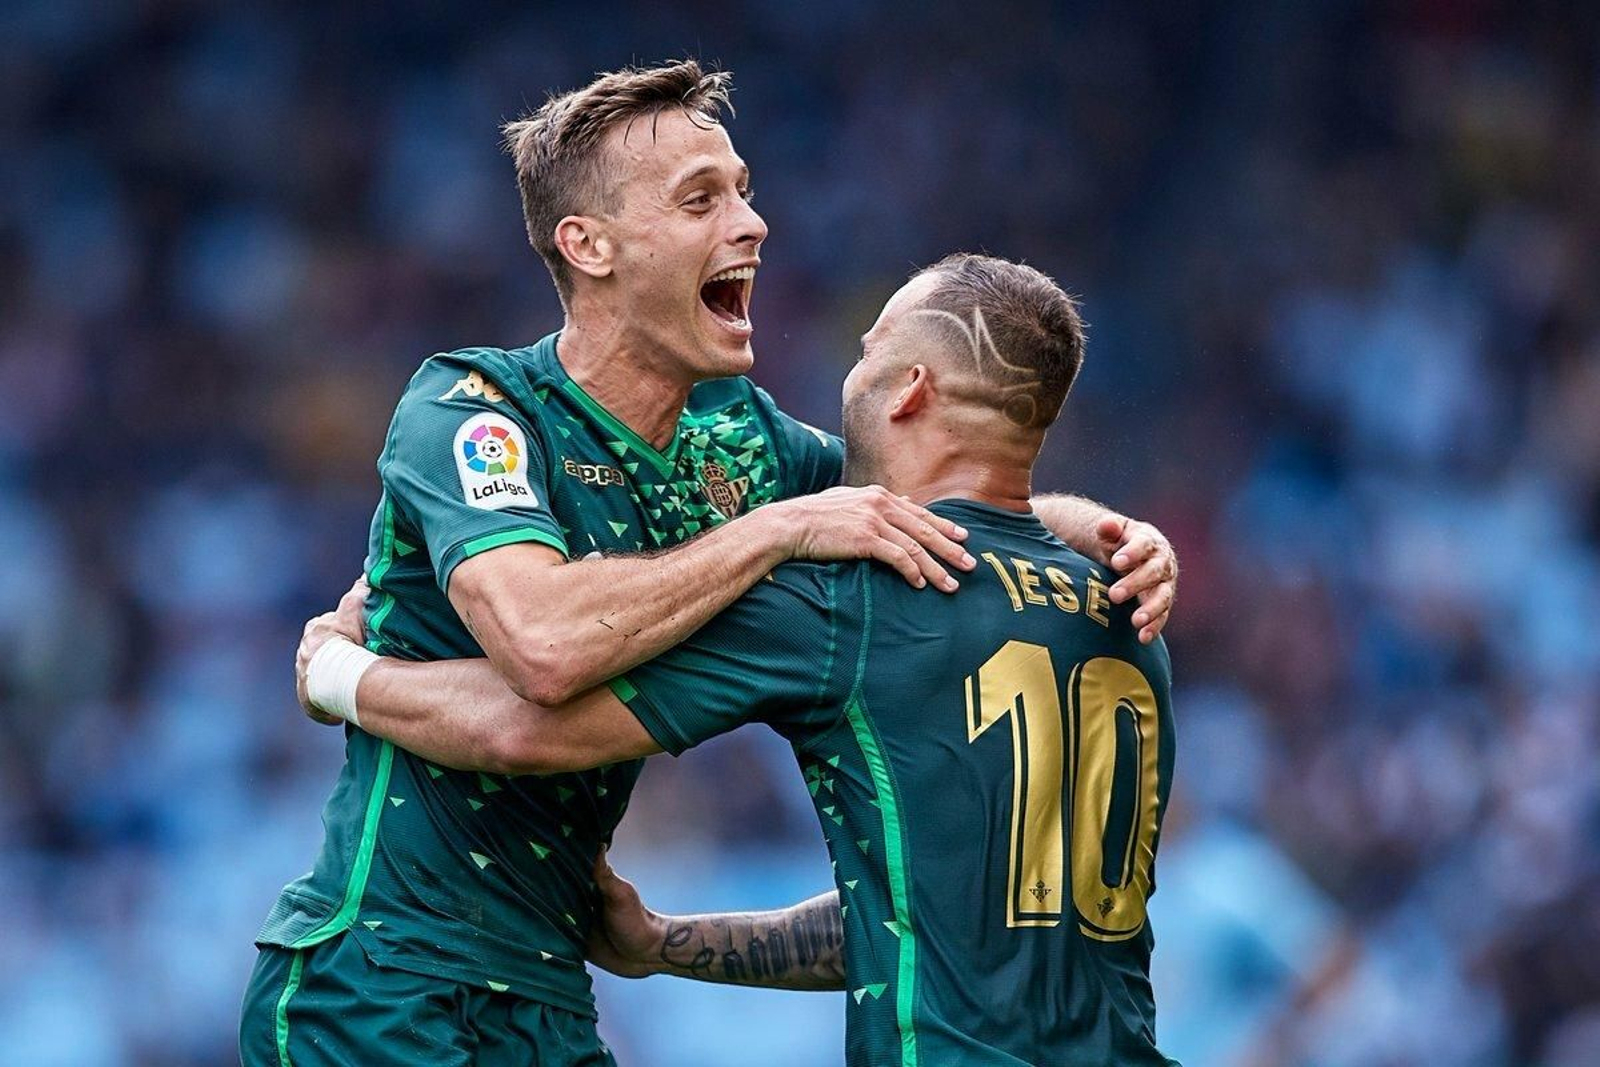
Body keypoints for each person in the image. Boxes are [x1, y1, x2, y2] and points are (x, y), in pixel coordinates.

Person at [243, 58, 1179, 1067]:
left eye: (742, 187)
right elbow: (543, 643)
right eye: (702, 198)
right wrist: (774, 531)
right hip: (386, 969)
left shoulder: (743, 439)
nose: (752, 220)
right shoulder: (477, 409)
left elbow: (937, 503)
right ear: (587, 244)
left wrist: (1098, 528)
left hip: (551, 986)